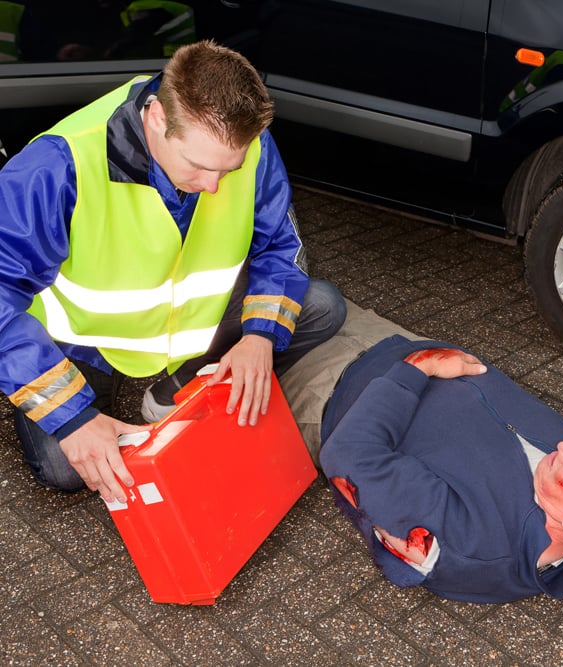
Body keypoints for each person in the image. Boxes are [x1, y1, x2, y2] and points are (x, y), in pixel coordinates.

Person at [0, 40, 346, 505]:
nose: (214, 186)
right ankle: (98, 405)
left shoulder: (246, 144)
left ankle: (179, 388)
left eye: (230, 168)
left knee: (322, 306)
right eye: (199, 167)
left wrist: (259, 337)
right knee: (65, 469)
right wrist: (73, 419)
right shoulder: (57, 166)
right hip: (84, 342)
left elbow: (281, 245)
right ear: (157, 119)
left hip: (189, 324)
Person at [310, 328, 563, 604]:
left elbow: (348, 452)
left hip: (329, 381)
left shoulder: (468, 537)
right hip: (394, 342)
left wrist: (419, 367)